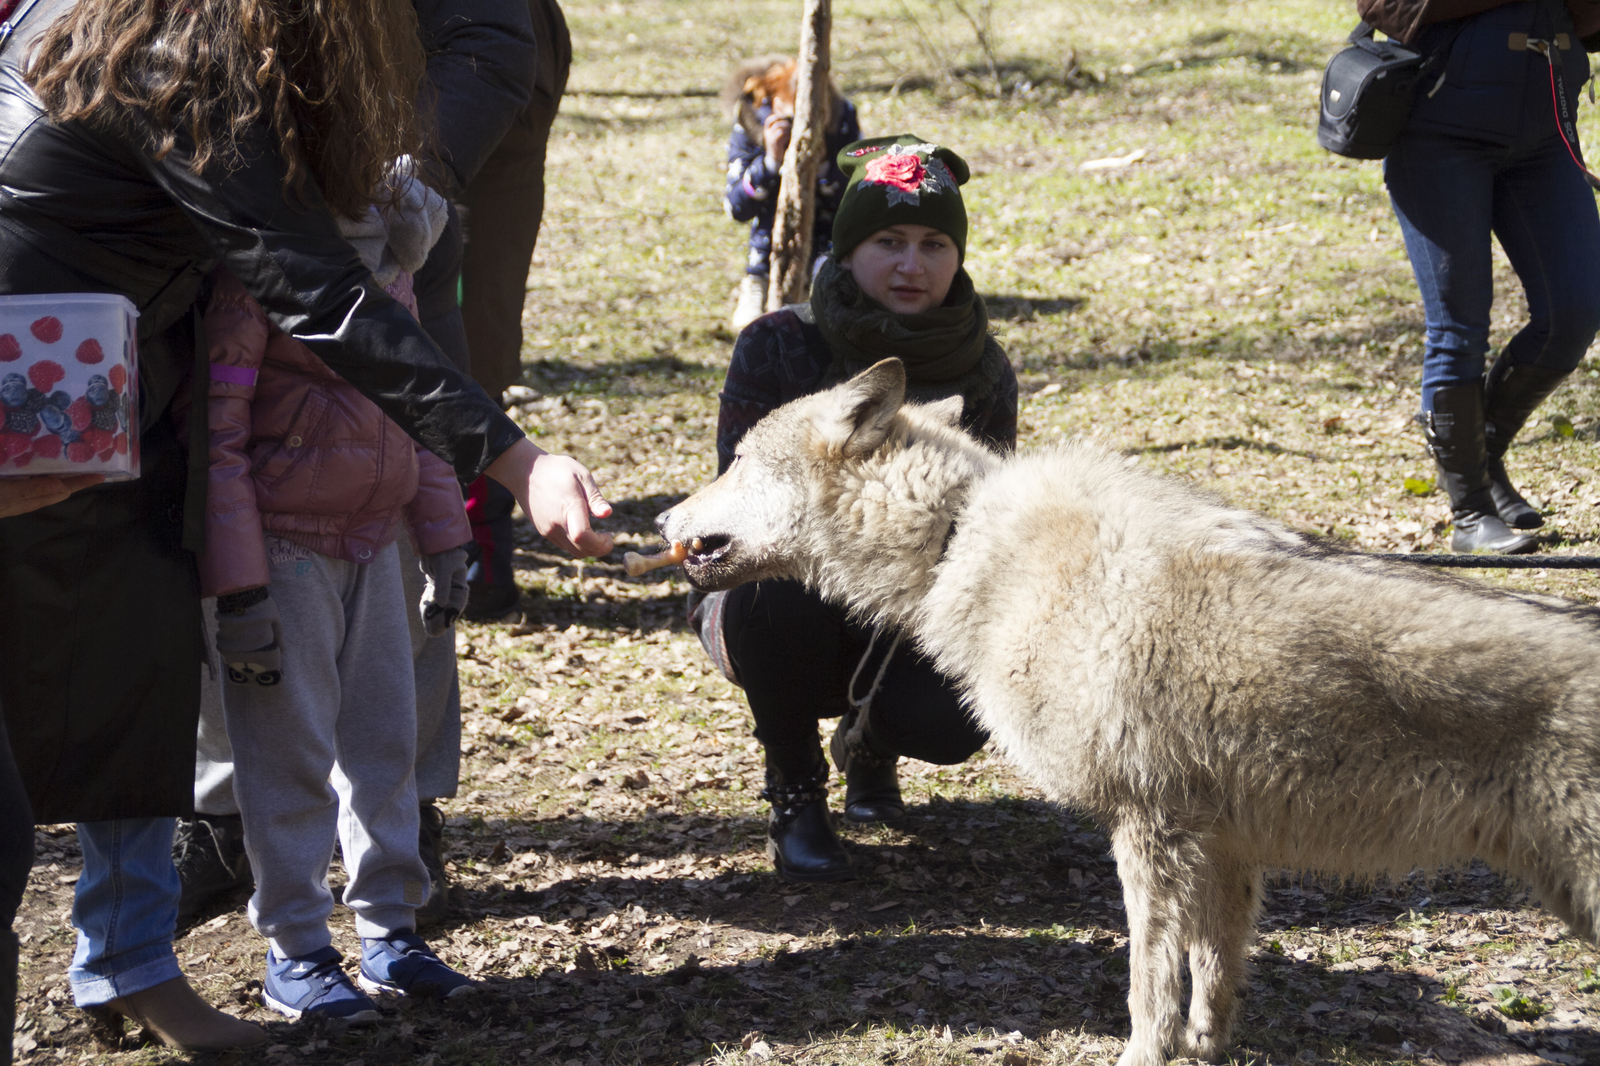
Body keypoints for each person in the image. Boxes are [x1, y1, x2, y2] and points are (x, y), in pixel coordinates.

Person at [0, 0, 610, 1051]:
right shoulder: (169, 53)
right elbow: (317, 290)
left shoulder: (189, 37)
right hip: (29, 385)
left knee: (135, 670)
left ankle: (130, 962)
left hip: (118, 389)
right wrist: (512, 456)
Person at [172, 0, 553, 933]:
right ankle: (224, 816)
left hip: (389, 229)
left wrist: (379, 184)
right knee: (219, 535)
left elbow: (495, 40)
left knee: (399, 560)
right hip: (220, 233)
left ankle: (405, 819)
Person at [694, 135, 1017, 882]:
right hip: (775, 590)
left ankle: (873, 741)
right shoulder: (777, 346)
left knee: (961, 709)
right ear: (846, 251)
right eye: (888, 242)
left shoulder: (984, 367)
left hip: (915, 601)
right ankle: (796, 793)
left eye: (935, 243)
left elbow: (986, 524)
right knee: (778, 589)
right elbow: (736, 509)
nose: (913, 265)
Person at [199, 182, 475, 1018]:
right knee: (288, 758)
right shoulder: (256, 270)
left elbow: (418, 405)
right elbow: (218, 432)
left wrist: (446, 538)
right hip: (285, 555)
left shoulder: (395, 267)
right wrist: (241, 586)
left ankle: (392, 932)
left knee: (386, 743)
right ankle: (297, 949)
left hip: (377, 541)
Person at [1368, 0, 1600, 553]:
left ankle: (1482, 454)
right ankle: (1470, 511)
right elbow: (1382, 7)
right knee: (1458, 326)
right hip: (1439, 130)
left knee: (1576, 311)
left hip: (1544, 135)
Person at [722, 55, 861, 330]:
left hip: (829, 241)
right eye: (791, 117)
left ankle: (829, 286)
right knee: (757, 326)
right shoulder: (753, 119)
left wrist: (822, 165)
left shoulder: (840, 118)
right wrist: (771, 161)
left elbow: (855, 198)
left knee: (831, 311)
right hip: (767, 247)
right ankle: (757, 283)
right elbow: (736, 207)